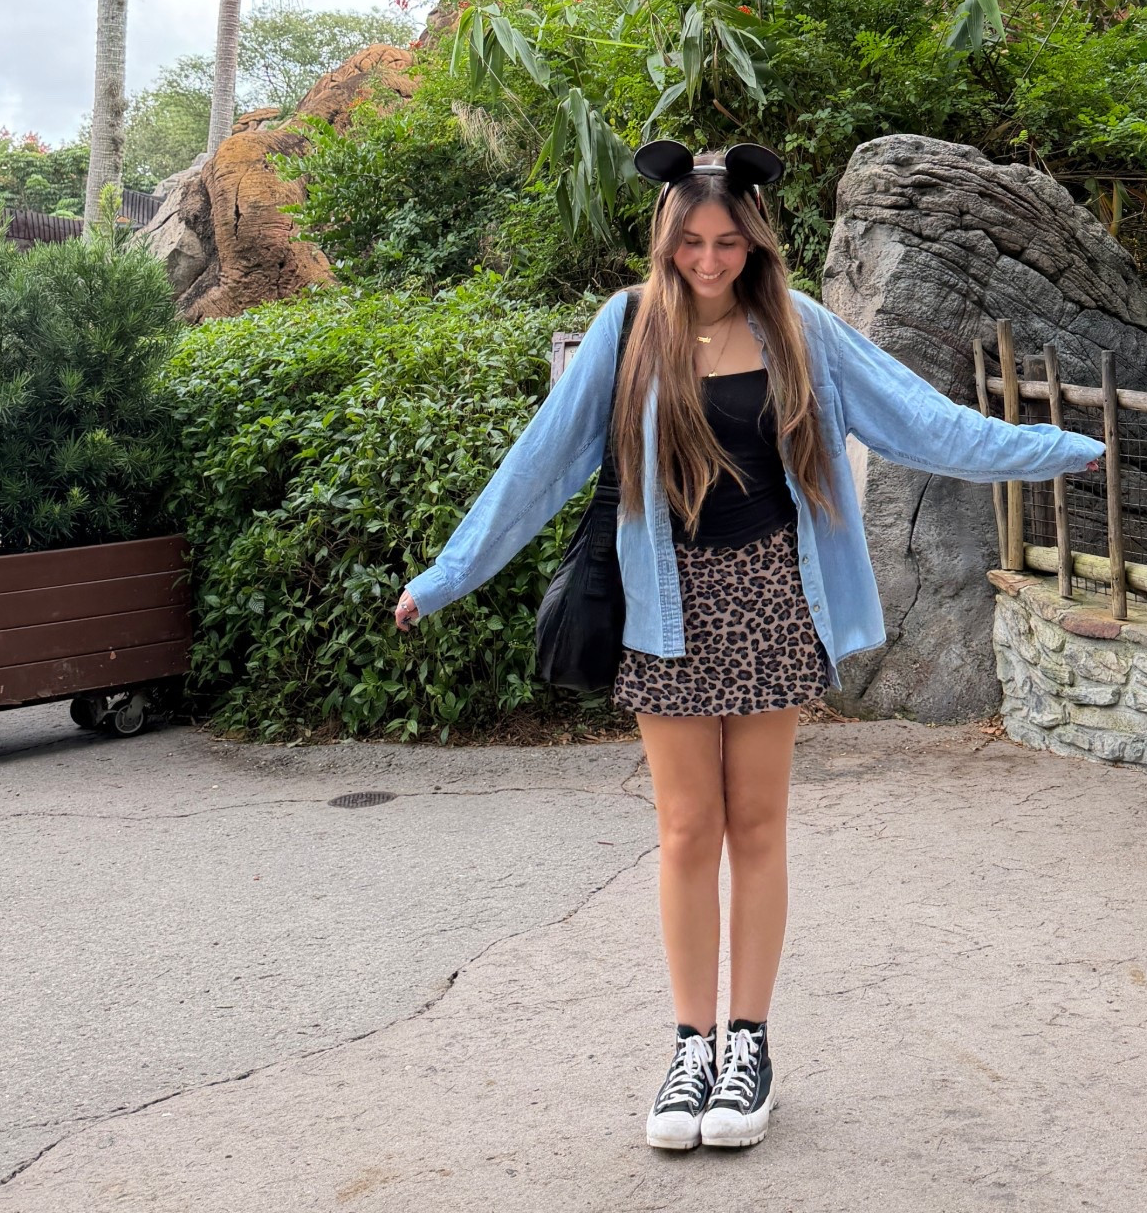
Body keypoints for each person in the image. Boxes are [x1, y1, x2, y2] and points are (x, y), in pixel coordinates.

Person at [393, 140, 1102, 1155]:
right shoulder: (627, 326)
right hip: (665, 607)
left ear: (755, 241)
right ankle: (691, 1043)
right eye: (692, 240)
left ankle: (751, 1045)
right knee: (686, 829)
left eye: (728, 240)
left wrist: (1062, 448)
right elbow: (539, 461)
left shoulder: (797, 325)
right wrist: (444, 574)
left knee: (757, 825)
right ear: (666, 237)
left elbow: (923, 422)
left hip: (773, 595)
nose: (710, 259)